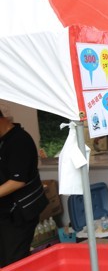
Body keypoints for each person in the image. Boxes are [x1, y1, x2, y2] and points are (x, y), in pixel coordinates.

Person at [0, 107, 48, 267]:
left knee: (14, 261)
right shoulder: (3, 140)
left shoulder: (19, 140)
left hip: (20, 213)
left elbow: (17, 181)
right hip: (5, 213)